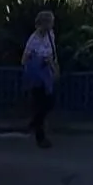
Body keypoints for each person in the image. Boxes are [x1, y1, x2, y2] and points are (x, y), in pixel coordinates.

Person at [22, 9, 59, 149]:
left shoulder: (50, 35)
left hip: (47, 72)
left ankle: (35, 121)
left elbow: (53, 52)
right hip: (37, 74)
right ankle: (40, 136)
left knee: (49, 101)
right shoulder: (34, 39)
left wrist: (54, 66)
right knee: (40, 102)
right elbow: (25, 58)